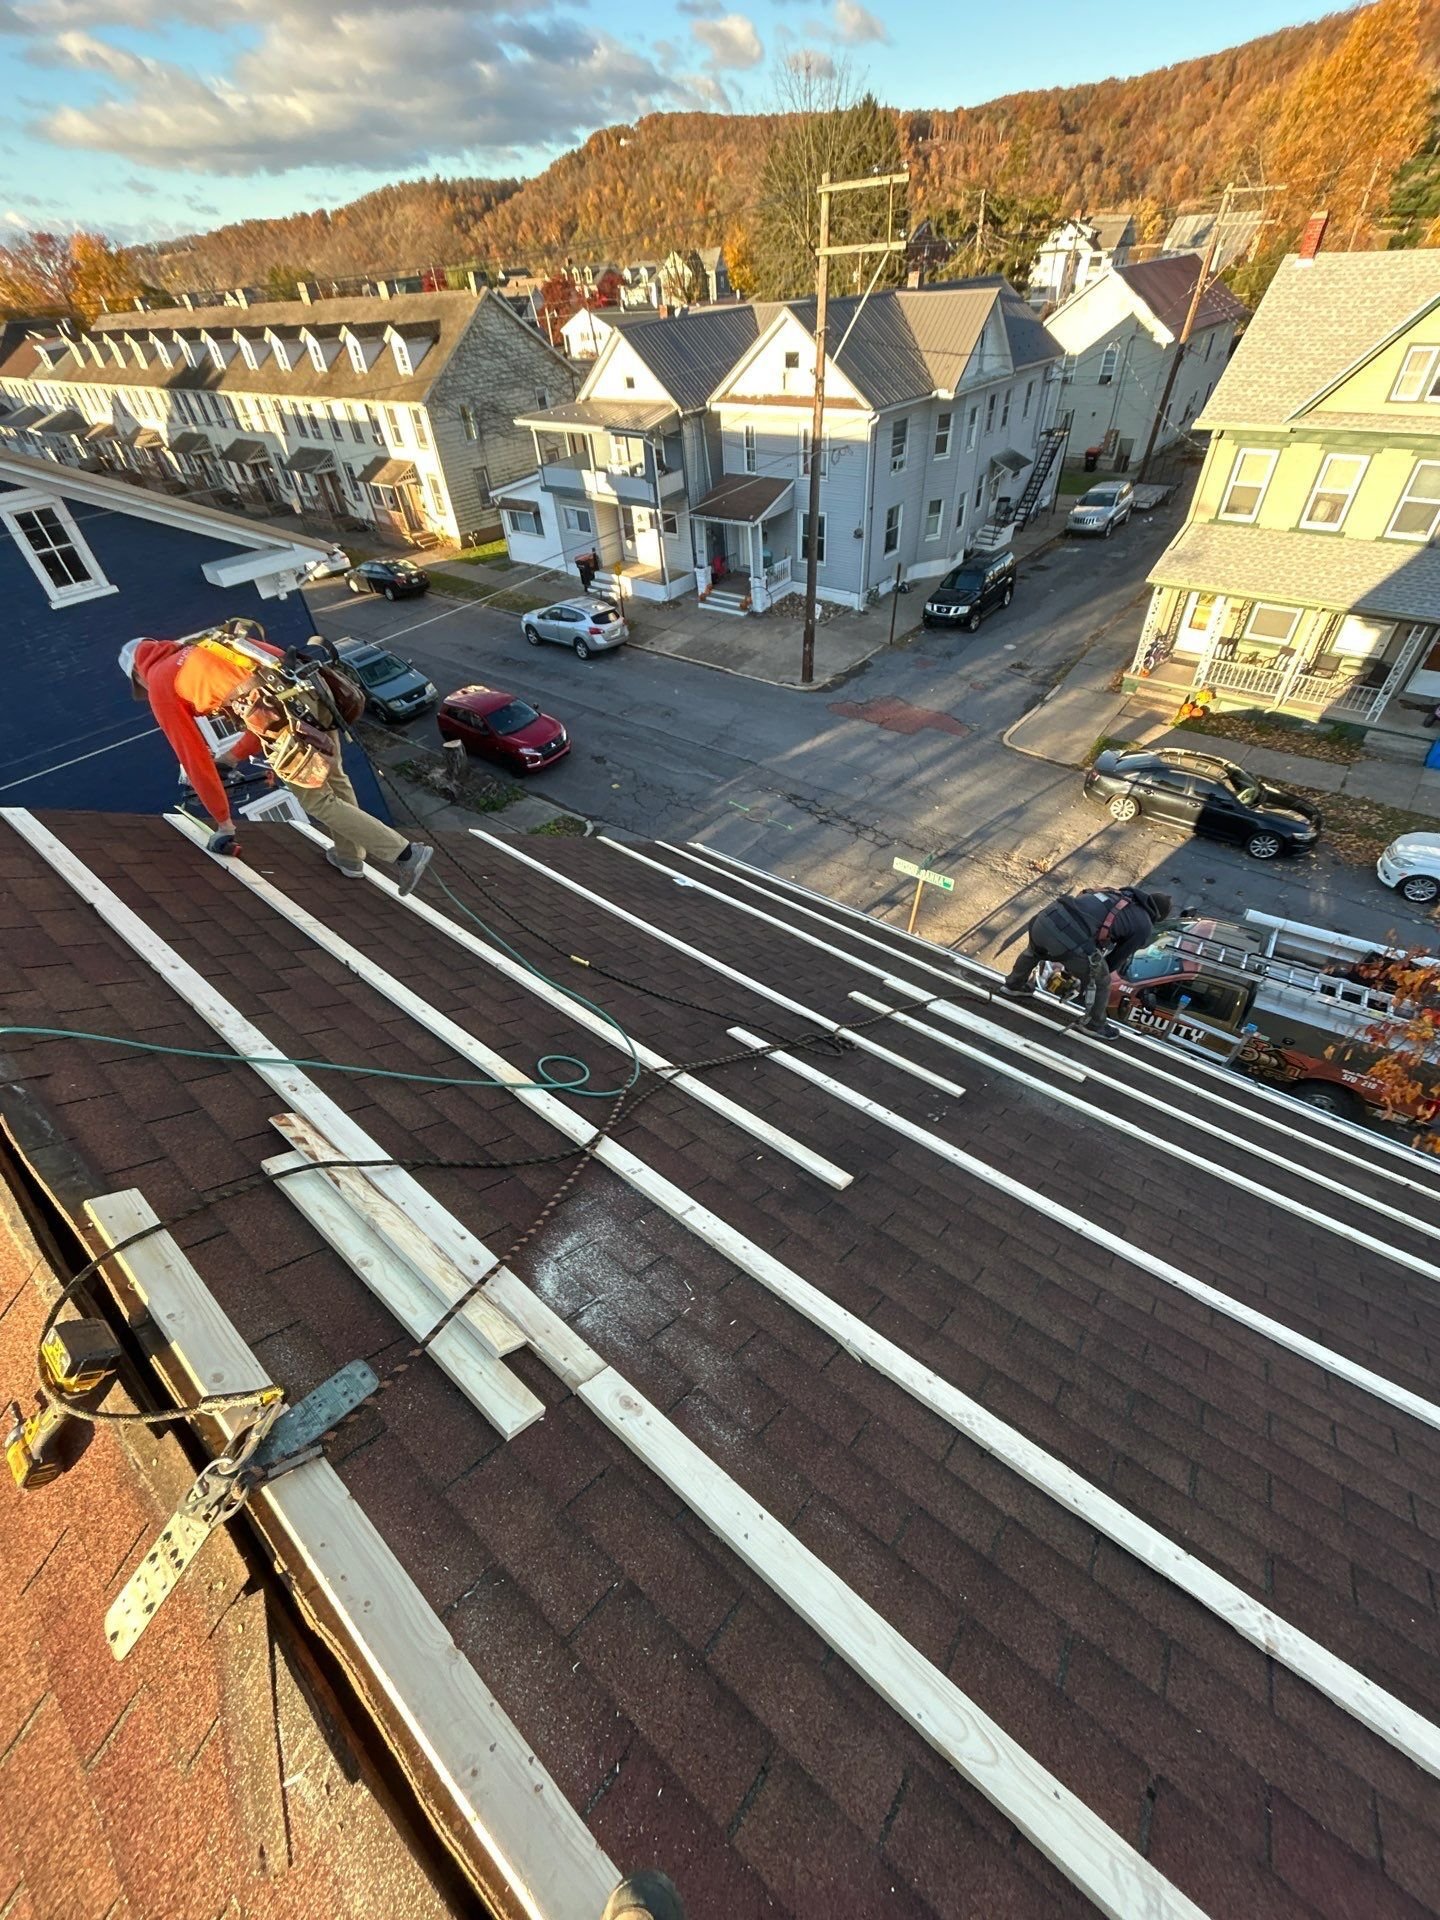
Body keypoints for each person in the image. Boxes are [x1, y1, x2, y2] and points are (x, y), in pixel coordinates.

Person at [119, 634, 433, 896]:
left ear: (138, 673)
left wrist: (224, 823)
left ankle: (405, 854)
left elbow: (194, 758)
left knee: (317, 800)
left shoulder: (161, 684)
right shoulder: (209, 645)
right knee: (335, 780)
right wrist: (231, 757)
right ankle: (350, 858)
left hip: (290, 723)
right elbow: (267, 699)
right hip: (316, 702)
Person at [1002, 886, 1173, 1039]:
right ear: (1157, 917)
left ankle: (1013, 985)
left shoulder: (1115, 893)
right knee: (1102, 981)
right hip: (1068, 937)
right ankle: (1094, 1025)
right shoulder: (1144, 925)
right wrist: (1089, 975)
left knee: (1034, 951)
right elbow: (1115, 959)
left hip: (1046, 918)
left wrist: (1078, 964)